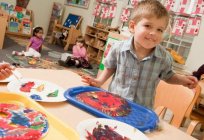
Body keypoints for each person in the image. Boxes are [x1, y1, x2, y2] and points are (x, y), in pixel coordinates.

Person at [82, 0, 198, 108]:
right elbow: (110, 67)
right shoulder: (118, 48)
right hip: (113, 103)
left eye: (160, 30)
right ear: (132, 26)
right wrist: (100, 81)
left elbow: (169, 76)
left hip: (142, 110)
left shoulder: (164, 57)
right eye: (148, 26)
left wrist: (183, 80)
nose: (153, 33)